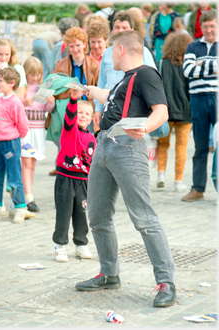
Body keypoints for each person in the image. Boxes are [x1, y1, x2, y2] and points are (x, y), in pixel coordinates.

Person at [75, 30, 176, 308]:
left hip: (127, 147)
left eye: (110, 50)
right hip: (104, 145)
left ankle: (166, 282)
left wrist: (144, 127)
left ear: (120, 50)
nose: (108, 55)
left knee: (143, 218)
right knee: (96, 215)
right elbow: (116, 98)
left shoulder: (146, 74)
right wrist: (92, 91)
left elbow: (161, 111)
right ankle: (109, 274)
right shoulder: (125, 81)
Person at [0, 37, 33, 219]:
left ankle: (19, 207)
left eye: (0, 81)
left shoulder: (15, 102)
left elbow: (23, 124)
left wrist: (20, 138)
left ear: (11, 83)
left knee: (14, 176)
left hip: (10, 143)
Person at [48, 27, 100, 175]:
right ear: (67, 47)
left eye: (78, 45)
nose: (75, 49)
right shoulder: (61, 65)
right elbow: (53, 85)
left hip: (87, 111)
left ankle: (87, 171)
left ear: (84, 44)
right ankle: (67, 169)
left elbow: (98, 88)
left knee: (87, 142)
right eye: (71, 46)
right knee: (68, 142)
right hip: (70, 111)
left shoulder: (94, 65)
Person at [52, 88, 96, 262]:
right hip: (66, 178)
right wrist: (73, 100)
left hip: (83, 182)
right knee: (63, 213)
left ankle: (80, 244)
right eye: (79, 113)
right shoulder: (70, 130)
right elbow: (70, 117)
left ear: (91, 119)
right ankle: (60, 246)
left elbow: (91, 161)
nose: (82, 116)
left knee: (81, 213)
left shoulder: (92, 138)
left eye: (86, 114)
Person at [93, 11, 157, 129]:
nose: (120, 31)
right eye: (117, 27)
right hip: (109, 110)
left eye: (124, 28)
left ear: (132, 30)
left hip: (132, 113)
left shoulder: (143, 52)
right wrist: (98, 109)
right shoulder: (107, 53)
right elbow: (102, 82)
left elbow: (152, 84)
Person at [182, 10, 218, 202]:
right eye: (205, 27)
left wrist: (200, 67)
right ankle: (198, 189)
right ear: (201, 28)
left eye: (212, 26)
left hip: (217, 97)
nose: (209, 30)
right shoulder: (193, 46)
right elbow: (188, 71)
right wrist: (213, 66)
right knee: (200, 145)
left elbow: (195, 69)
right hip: (198, 100)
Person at [156, 32, 193, 192]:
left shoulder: (163, 63)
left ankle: (161, 175)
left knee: (163, 143)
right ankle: (178, 182)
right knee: (181, 146)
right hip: (185, 111)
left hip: (166, 110)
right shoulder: (188, 64)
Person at [21, 56, 55, 212]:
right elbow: (14, 105)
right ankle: (27, 197)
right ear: (26, 73)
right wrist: (24, 102)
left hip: (39, 131)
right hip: (26, 132)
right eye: (32, 74)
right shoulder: (22, 89)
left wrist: (50, 102)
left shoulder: (43, 88)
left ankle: (27, 194)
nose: (35, 77)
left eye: (38, 74)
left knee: (33, 164)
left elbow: (48, 110)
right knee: (26, 163)